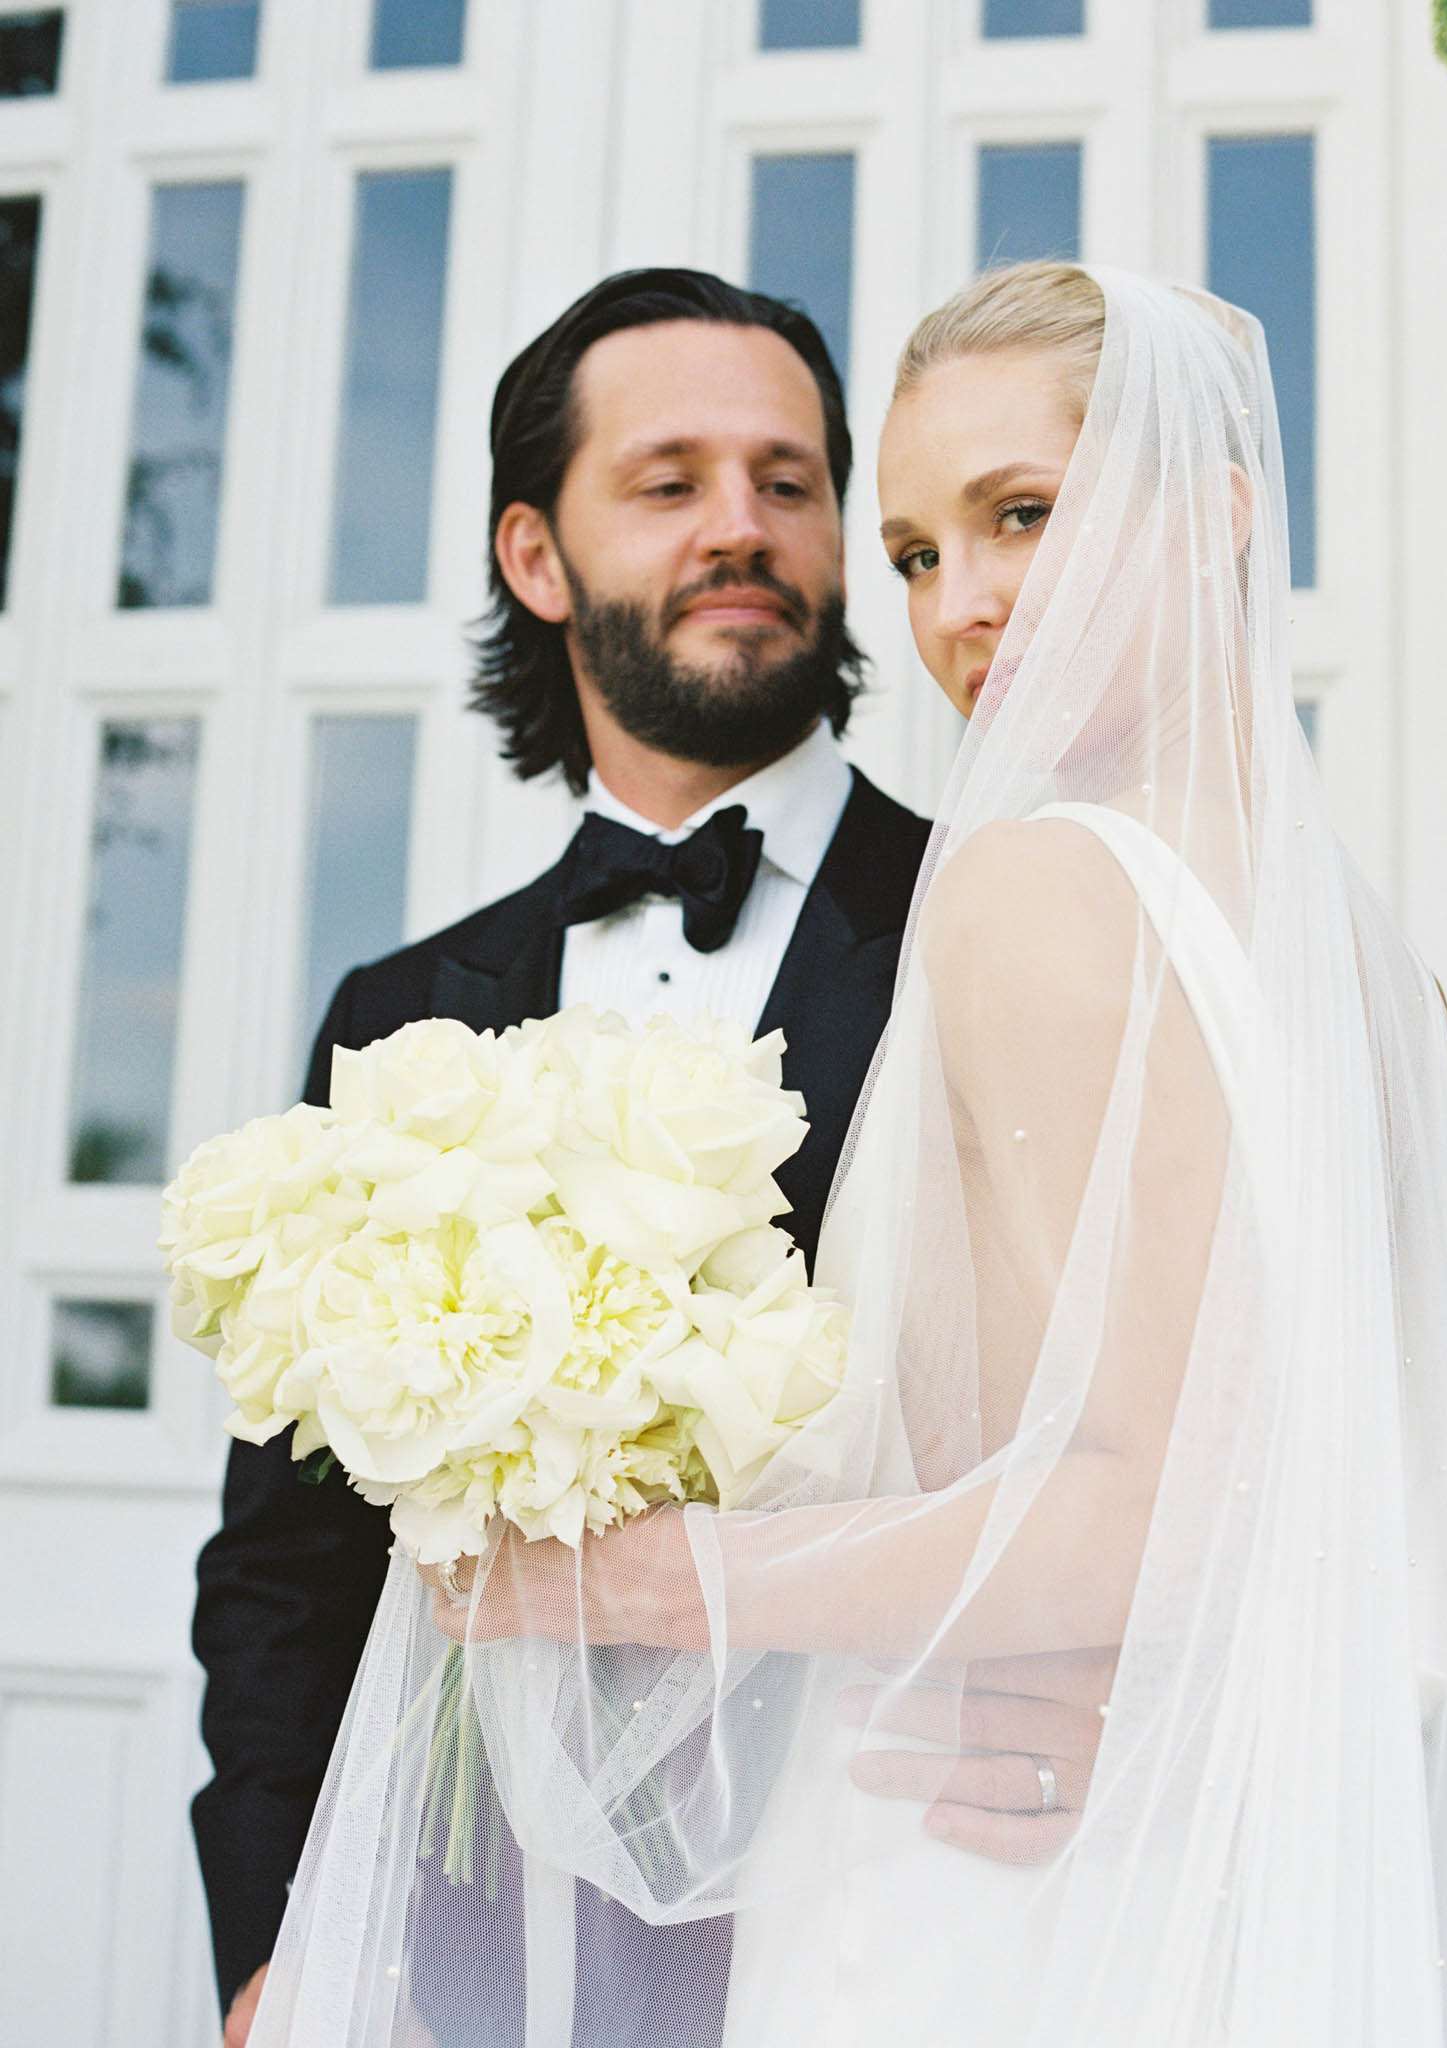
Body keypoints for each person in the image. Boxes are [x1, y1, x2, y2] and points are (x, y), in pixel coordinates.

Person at [192, 268, 1103, 2048]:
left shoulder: (1005, 918)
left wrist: (1110, 1708)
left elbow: (1140, 1412)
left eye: (787, 480)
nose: (742, 529)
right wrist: (275, 1947)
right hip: (473, 1930)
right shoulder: (403, 1010)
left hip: (902, 1889)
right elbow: (293, 1558)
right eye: (668, 481)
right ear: (537, 557)